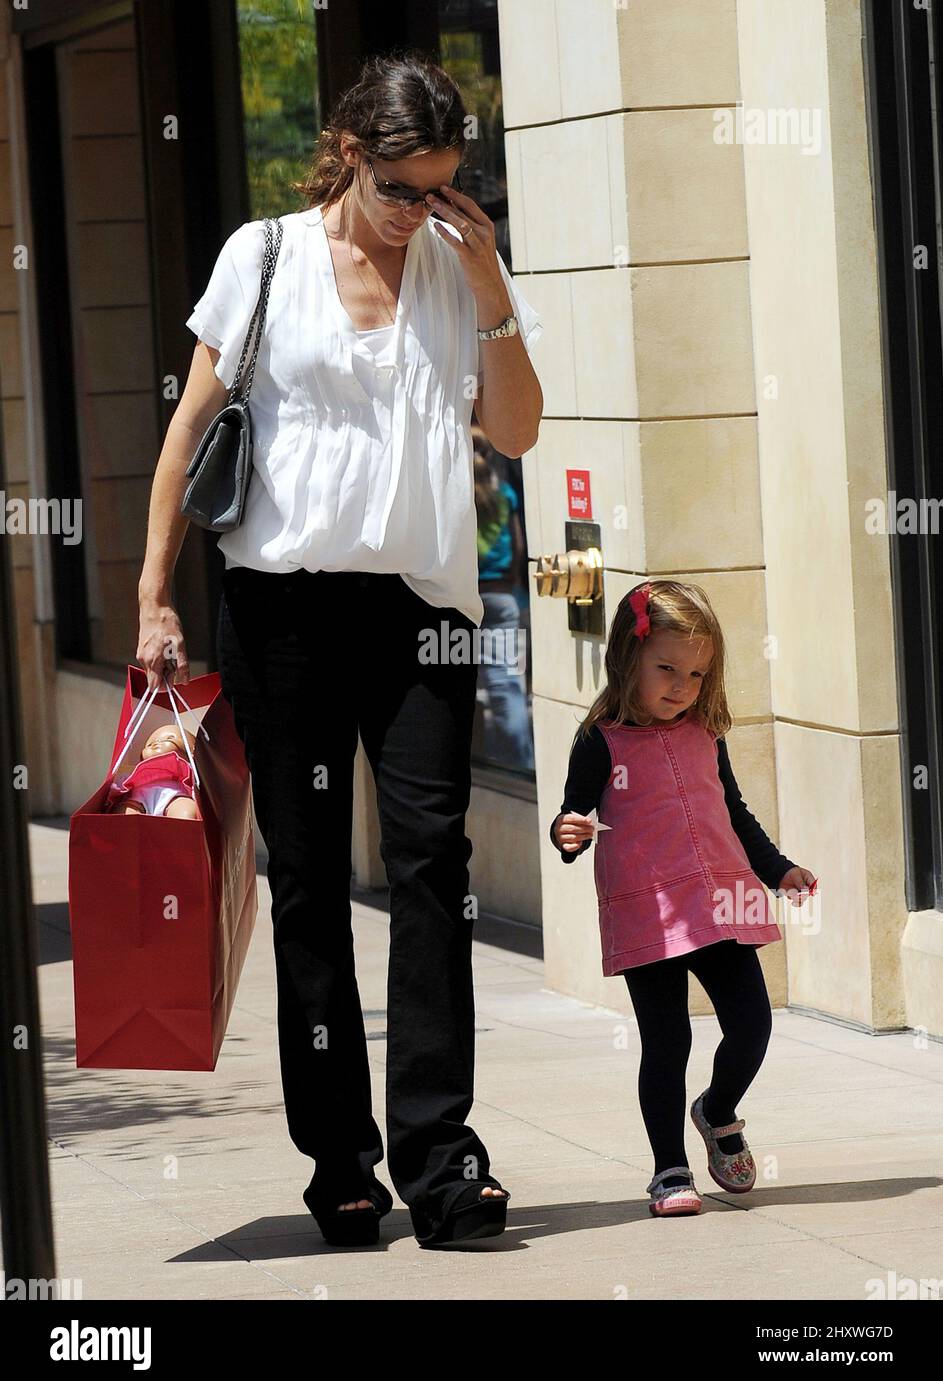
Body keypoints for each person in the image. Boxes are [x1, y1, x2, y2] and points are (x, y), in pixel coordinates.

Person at [135, 51, 543, 1248]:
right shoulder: (261, 257)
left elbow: (513, 426)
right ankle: (342, 1164)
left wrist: (495, 292)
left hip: (421, 615)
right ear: (352, 155)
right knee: (310, 885)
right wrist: (154, 592)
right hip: (280, 614)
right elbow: (190, 428)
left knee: (431, 870)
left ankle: (441, 1157)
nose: (422, 210)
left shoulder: (461, 273)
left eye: (443, 189)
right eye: (403, 188)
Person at [550, 580, 817, 1216]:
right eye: (666, 668)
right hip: (649, 906)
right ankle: (669, 1168)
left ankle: (718, 1111)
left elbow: (733, 811)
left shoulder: (706, 732)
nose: (682, 686)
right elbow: (574, 815)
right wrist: (569, 834)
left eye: (697, 673)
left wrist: (777, 870)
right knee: (667, 1044)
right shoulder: (600, 740)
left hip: (725, 898)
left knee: (753, 1022)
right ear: (626, 658)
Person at [473, 433, 534, 769]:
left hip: (460, 601)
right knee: (507, 683)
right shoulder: (504, 496)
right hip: (502, 598)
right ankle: (520, 763)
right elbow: (519, 549)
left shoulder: (455, 498)